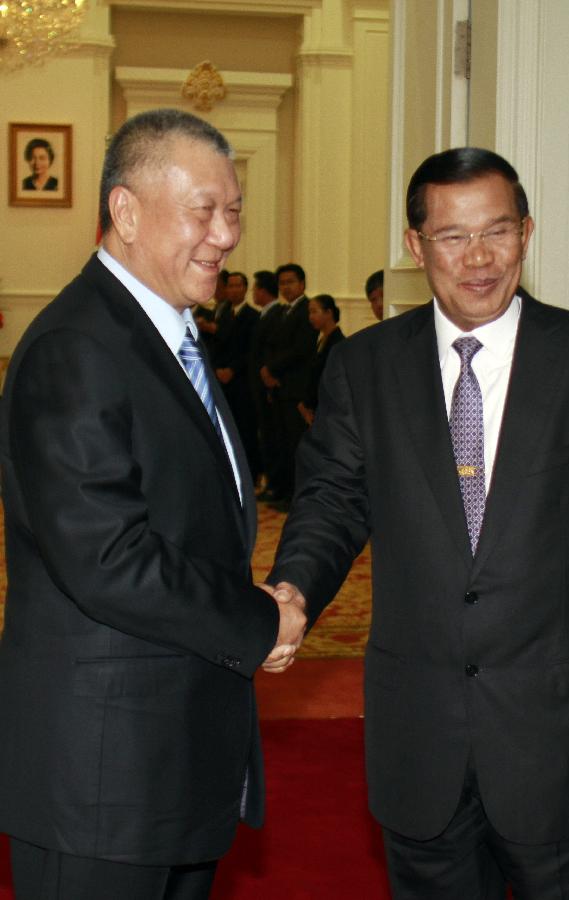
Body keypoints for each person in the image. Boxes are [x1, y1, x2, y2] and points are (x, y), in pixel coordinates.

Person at [266, 147, 569, 898]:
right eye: (453, 237)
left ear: (525, 232)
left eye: (498, 231)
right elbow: (330, 502)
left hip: (559, 732)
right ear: (416, 247)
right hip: (419, 733)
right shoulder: (364, 366)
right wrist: (293, 588)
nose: (479, 258)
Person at [0, 108, 305, 900]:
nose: (227, 233)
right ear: (125, 211)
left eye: (233, 209)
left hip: (166, 769)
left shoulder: (164, 334)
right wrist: (255, 618)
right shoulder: (77, 346)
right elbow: (105, 555)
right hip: (100, 780)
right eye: (203, 209)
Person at [260, 263, 316, 509]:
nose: (286, 287)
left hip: (296, 387)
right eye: (282, 283)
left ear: (302, 284)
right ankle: (283, 490)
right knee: (282, 442)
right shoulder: (283, 311)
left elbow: (301, 348)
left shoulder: (306, 309)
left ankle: (297, 495)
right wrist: (269, 372)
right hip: (280, 387)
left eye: (291, 282)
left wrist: (272, 369)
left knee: (297, 445)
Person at [212, 271, 261, 483]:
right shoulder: (222, 313)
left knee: (246, 429)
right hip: (221, 381)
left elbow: (250, 350)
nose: (232, 290)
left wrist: (232, 369)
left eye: (237, 286)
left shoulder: (252, 315)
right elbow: (215, 345)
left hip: (242, 381)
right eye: (229, 286)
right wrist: (217, 369)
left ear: (245, 289)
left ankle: (251, 474)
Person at [249, 270, 288, 501]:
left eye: (254, 288)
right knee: (266, 436)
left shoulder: (276, 314)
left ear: (263, 291)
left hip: (269, 386)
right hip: (258, 385)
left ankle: (277, 485)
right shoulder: (264, 314)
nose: (253, 293)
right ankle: (272, 483)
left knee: (275, 437)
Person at [297, 293, 345, 427]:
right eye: (309, 312)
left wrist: (309, 404)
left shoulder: (337, 342)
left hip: (326, 408)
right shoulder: (322, 340)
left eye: (314, 312)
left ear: (328, 313)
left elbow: (327, 378)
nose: (310, 317)